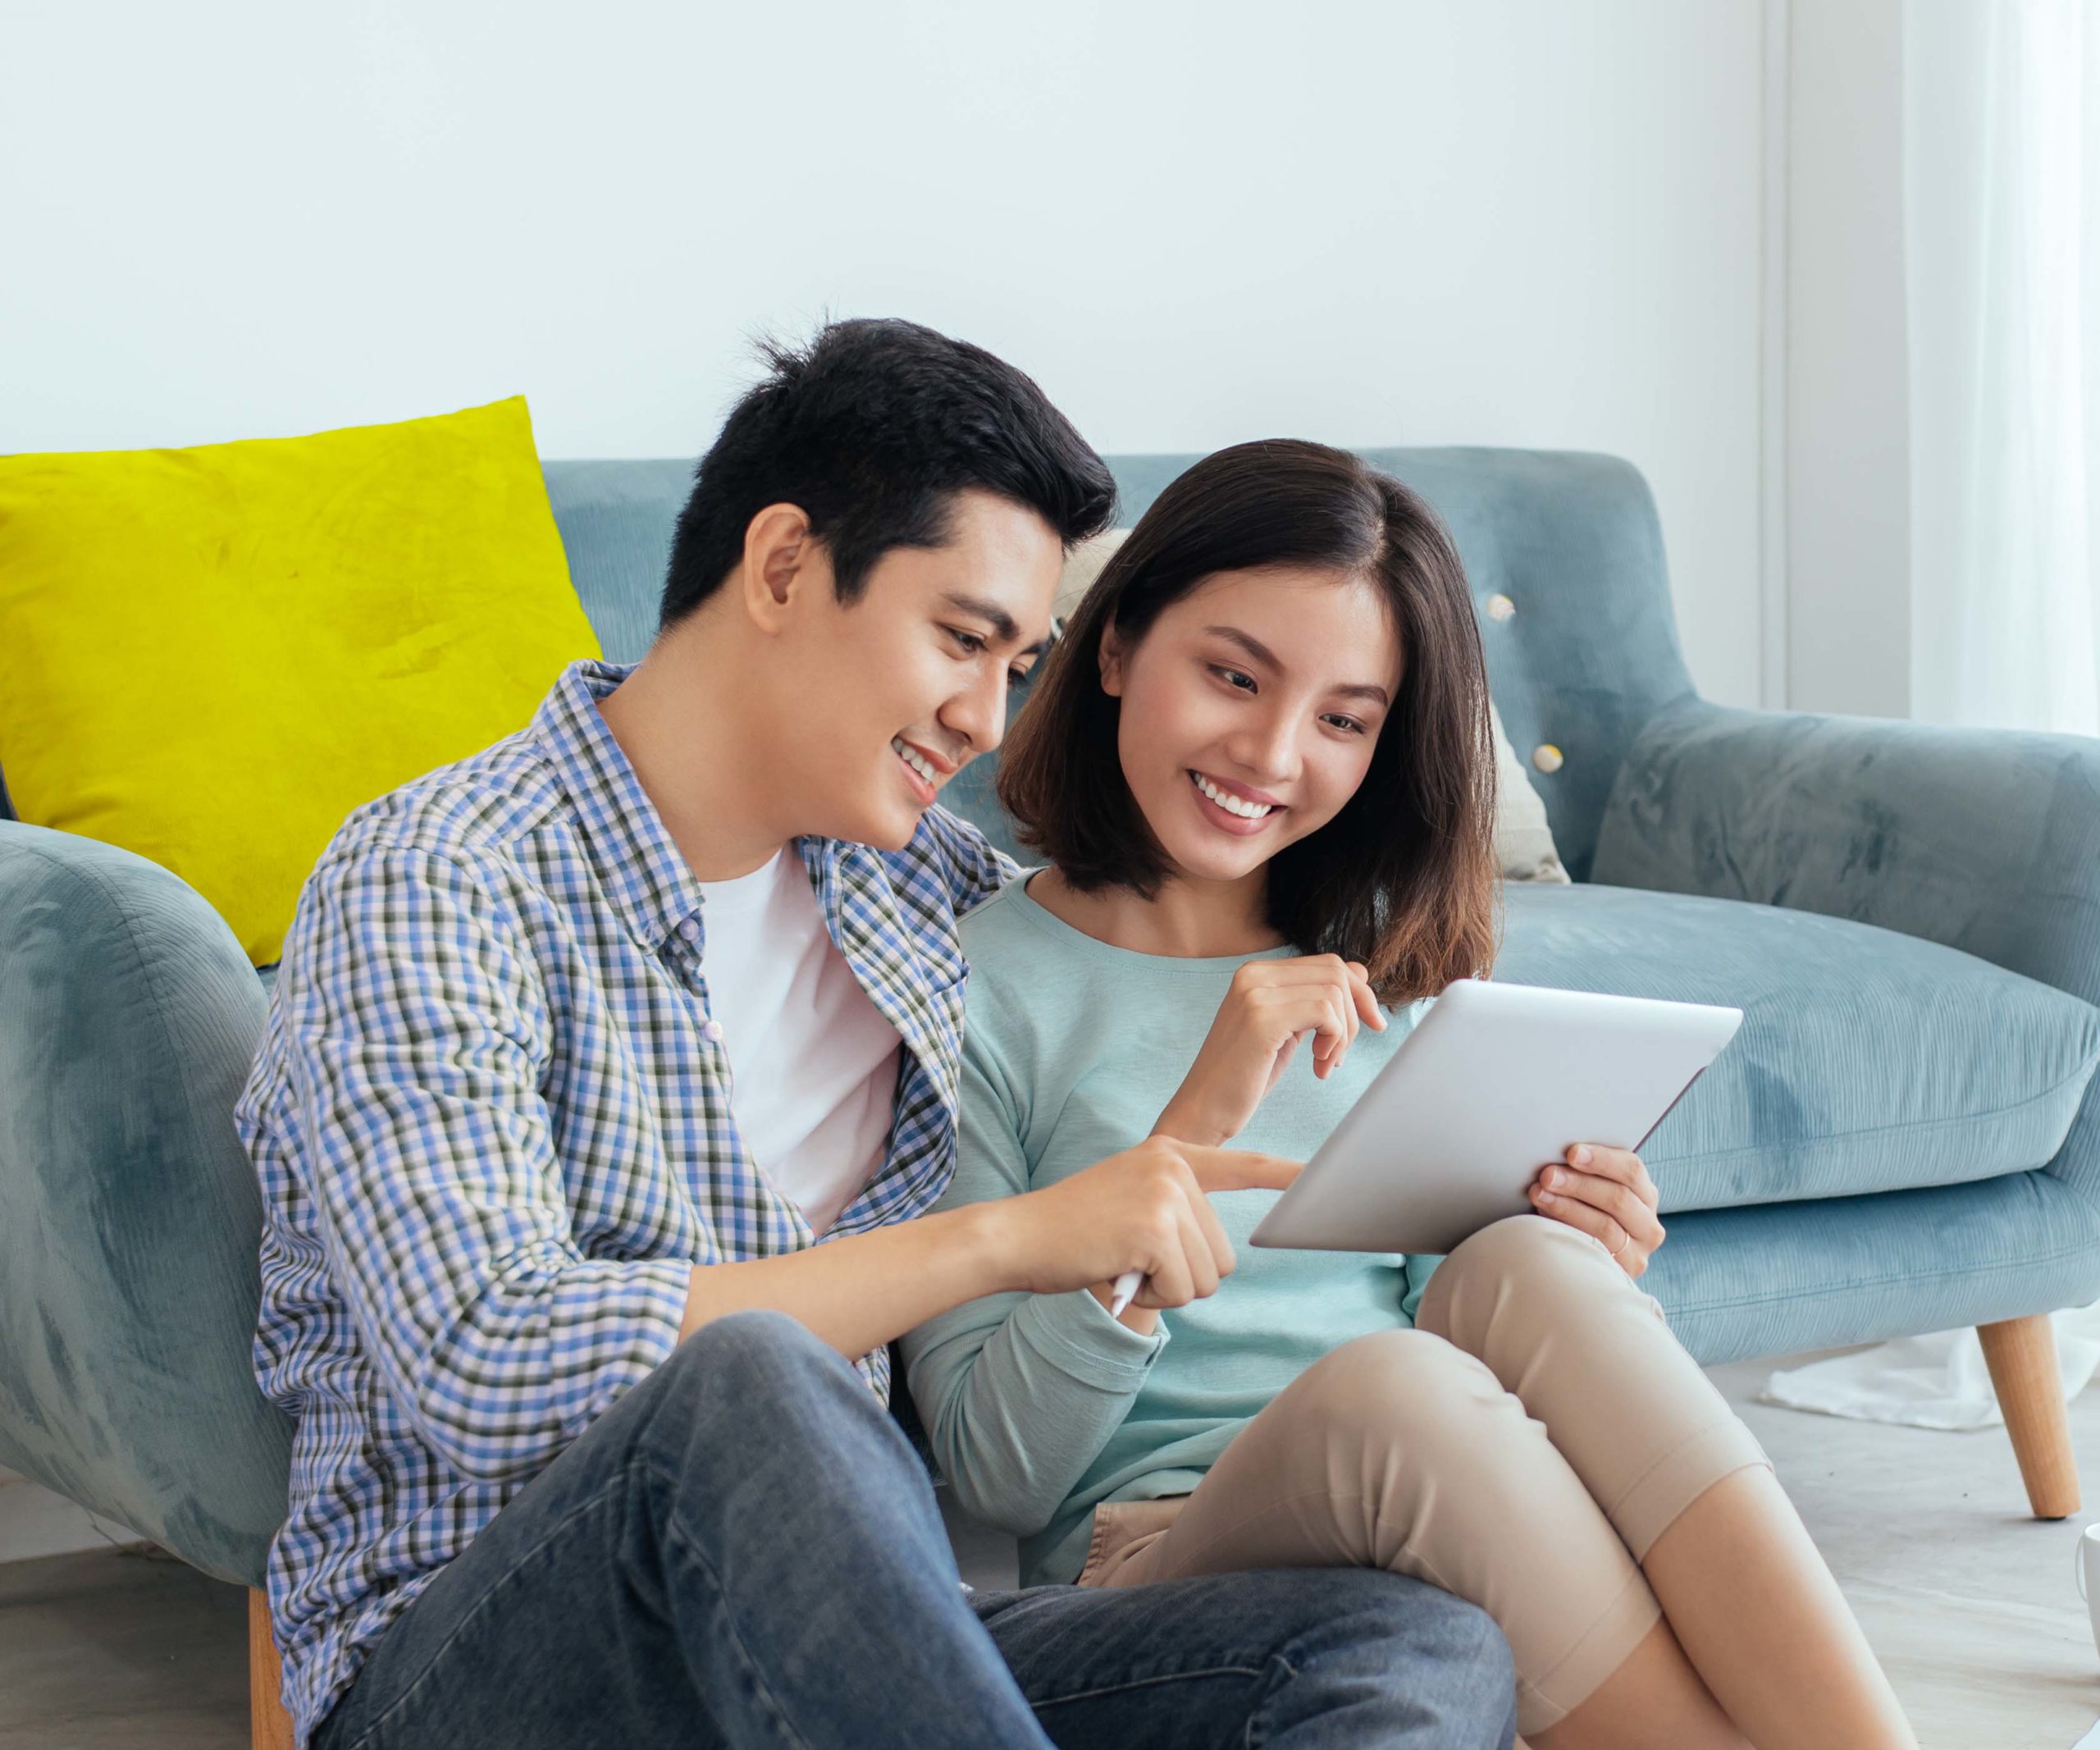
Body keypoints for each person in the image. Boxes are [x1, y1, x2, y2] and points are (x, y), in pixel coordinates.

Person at [239, 322, 1519, 1750]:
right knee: (752, 1378)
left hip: (851, 1626)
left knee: (1402, 1643)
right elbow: (486, 1352)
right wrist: (1010, 1237)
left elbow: (1149, 957)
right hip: (483, 1662)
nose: (982, 718)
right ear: (783, 565)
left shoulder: (919, 894)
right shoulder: (440, 875)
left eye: (1021, 660)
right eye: (962, 640)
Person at [902, 438, 1920, 1750]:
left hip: (1431, 1521)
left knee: (1529, 1275)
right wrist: (1191, 1128)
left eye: (1342, 718)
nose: (1270, 750)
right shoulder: (967, 986)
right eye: (1232, 674)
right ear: (1114, 649)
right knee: (1396, 1391)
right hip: (1146, 1561)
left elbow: (1489, 1360)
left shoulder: (1393, 985)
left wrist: (1580, 1236)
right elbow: (994, 1467)